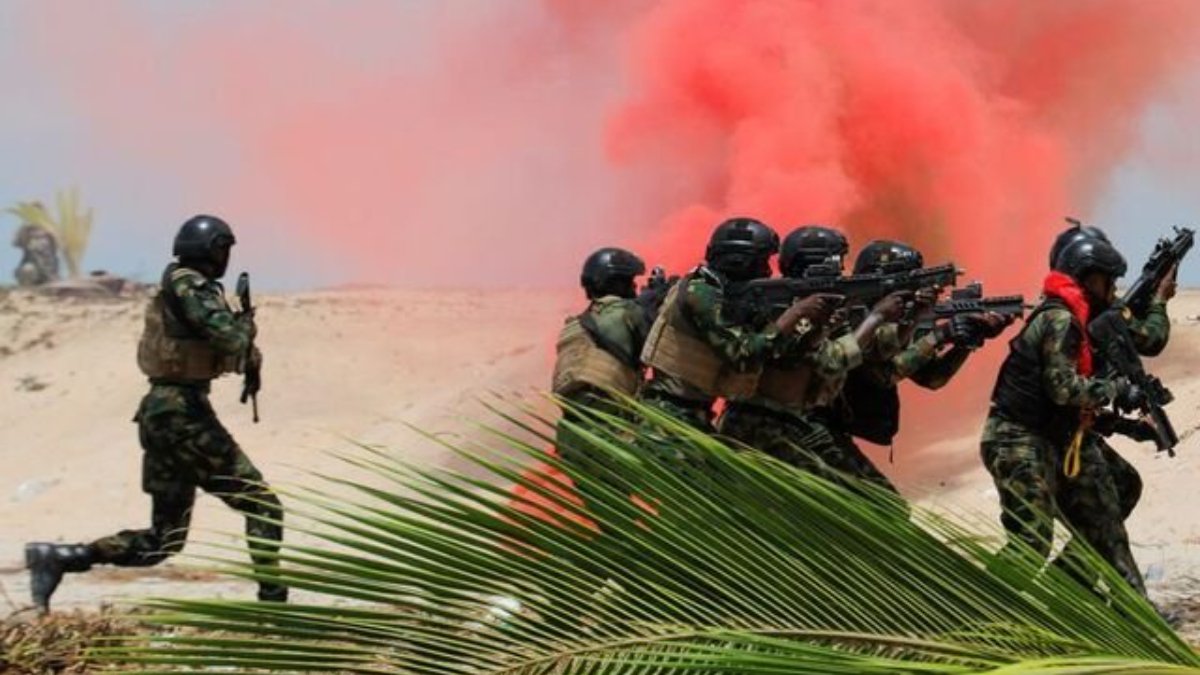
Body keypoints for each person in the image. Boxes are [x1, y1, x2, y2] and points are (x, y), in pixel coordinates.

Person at [24, 214, 286, 612]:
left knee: (164, 541)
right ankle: (274, 607)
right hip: (181, 415)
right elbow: (229, 338)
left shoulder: (182, 285)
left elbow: (218, 347)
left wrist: (248, 355)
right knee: (263, 504)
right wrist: (246, 328)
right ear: (209, 250)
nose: (225, 257)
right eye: (222, 249)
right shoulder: (189, 285)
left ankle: (61, 557)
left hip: (164, 413)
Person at [981, 235, 1144, 591]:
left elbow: (1065, 405)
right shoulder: (1061, 319)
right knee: (1031, 543)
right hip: (1017, 440)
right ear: (1088, 278)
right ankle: (976, 610)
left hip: (1051, 438)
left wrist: (1129, 426)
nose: (1113, 289)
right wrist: (1117, 390)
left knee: (1109, 509)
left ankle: (1067, 591)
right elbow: (1063, 389)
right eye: (1108, 280)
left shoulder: (1076, 320)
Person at [717, 226, 909, 495]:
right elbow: (831, 361)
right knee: (867, 502)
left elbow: (873, 352)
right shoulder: (783, 310)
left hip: (786, 422)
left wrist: (909, 319)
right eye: (836, 263)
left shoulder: (801, 308)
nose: (841, 271)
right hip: (762, 425)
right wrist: (877, 316)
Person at [639, 217, 827, 430]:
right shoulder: (700, 290)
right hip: (668, 416)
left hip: (692, 414)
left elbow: (779, 354)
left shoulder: (729, 298)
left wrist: (813, 325)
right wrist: (795, 313)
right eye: (761, 262)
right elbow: (742, 355)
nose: (767, 271)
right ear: (740, 262)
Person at [12, 207, 61, 286]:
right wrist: (25, 229)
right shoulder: (27, 231)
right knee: (27, 269)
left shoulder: (49, 230)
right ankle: (27, 288)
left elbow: (61, 245)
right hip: (34, 269)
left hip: (50, 270)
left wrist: (50, 232)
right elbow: (16, 242)